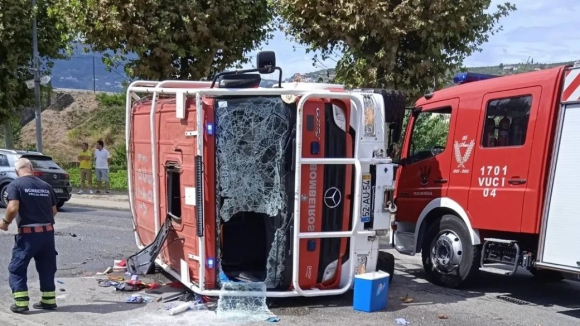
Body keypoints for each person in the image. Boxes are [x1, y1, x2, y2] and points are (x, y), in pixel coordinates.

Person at [0, 158, 58, 313]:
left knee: (17, 268)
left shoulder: (16, 185)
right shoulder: (46, 186)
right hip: (47, 235)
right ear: (31, 169)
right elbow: (54, 211)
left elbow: (13, 208)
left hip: (28, 236)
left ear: (17, 171)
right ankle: (48, 301)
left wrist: (5, 222)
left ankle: (21, 303)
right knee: (46, 267)